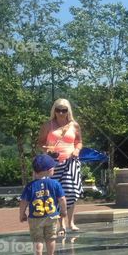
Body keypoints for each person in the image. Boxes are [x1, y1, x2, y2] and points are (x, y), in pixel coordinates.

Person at [37, 98, 83, 234]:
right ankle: (60, 223)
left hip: (71, 162)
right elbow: (40, 142)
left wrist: (77, 150)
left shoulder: (74, 125)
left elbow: (79, 142)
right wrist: (47, 150)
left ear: (68, 111)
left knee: (71, 191)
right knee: (56, 193)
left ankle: (71, 222)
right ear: (54, 111)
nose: (61, 113)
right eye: (58, 110)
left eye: (64, 110)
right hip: (53, 163)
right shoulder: (48, 125)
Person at [19, 154, 66, 255]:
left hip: (35, 218)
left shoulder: (30, 186)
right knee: (51, 237)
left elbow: (23, 202)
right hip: (52, 216)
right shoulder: (55, 184)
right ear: (50, 170)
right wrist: (63, 211)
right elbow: (62, 199)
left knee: (37, 238)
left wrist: (21, 214)